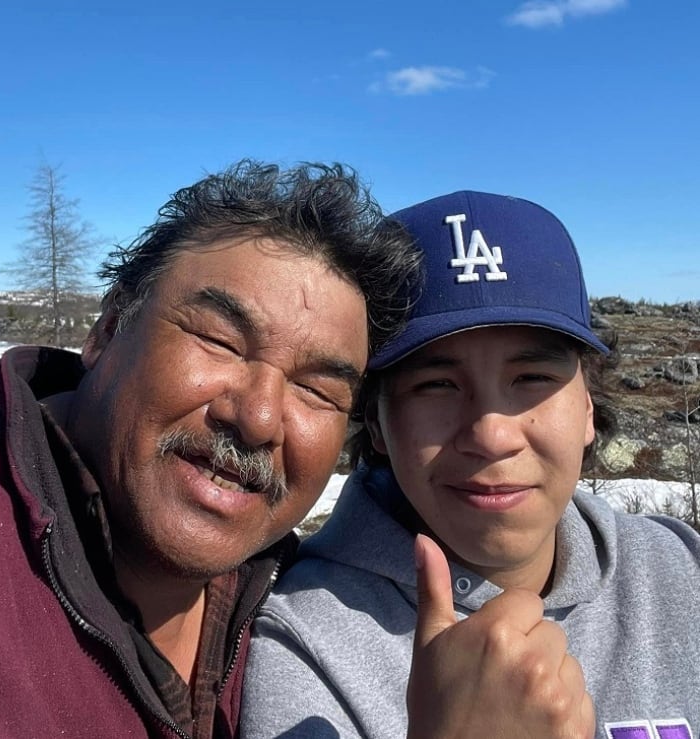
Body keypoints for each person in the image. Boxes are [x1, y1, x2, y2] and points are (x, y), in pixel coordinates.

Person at [0, 160, 424, 739]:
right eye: (219, 341)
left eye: (316, 389)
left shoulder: (298, 596)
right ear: (107, 330)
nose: (259, 419)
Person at [241, 190, 700, 739]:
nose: (492, 435)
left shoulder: (684, 568)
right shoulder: (303, 646)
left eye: (532, 378)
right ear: (379, 423)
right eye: (437, 384)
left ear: (587, 408)